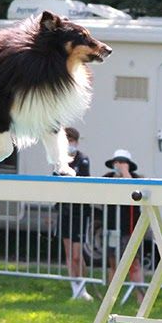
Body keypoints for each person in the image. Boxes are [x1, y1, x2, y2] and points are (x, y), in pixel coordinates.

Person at [102, 149, 145, 302]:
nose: (118, 165)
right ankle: (110, 298)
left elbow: (135, 189)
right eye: (116, 162)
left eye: (122, 162)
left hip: (130, 228)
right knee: (113, 262)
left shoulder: (135, 178)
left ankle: (141, 298)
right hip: (112, 227)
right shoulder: (108, 177)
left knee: (134, 263)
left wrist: (125, 174)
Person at [59, 127, 92, 299]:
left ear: (76, 142)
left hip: (79, 212)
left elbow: (82, 182)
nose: (69, 144)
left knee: (77, 255)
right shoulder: (60, 160)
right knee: (69, 254)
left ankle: (82, 288)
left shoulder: (83, 159)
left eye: (71, 141)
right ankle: (75, 289)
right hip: (64, 211)